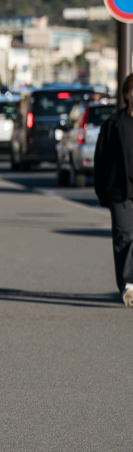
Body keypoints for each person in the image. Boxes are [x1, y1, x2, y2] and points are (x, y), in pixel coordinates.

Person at [94, 72, 133, 307]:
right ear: (126, 94)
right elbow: (101, 160)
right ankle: (128, 284)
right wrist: (102, 192)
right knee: (123, 236)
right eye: (132, 89)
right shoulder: (113, 125)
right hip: (119, 191)